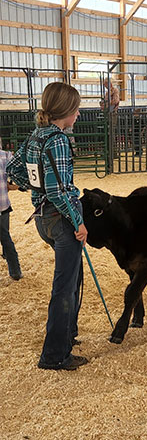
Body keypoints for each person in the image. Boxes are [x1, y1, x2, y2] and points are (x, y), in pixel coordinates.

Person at [7, 82, 88, 371]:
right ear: (66, 111)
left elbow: (13, 169)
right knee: (64, 288)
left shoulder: (36, 136)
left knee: (72, 279)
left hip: (42, 218)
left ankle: (67, 335)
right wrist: (78, 222)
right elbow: (58, 191)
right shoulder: (59, 140)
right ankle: (54, 355)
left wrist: (33, 185)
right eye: (76, 109)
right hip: (61, 218)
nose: (78, 114)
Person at [0, 137, 22, 280]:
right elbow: (17, 175)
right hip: (2, 205)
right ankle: (15, 272)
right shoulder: (5, 156)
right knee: (6, 237)